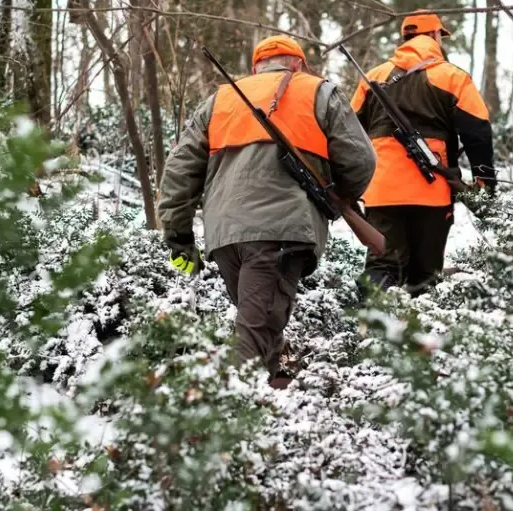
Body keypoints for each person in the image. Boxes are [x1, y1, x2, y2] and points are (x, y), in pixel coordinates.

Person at [158, 35, 376, 388]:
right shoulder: (319, 92)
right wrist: (339, 198)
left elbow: (179, 172)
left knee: (260, 327)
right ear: (298, 64)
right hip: (280, 231)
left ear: (256, 67)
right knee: (255, 335)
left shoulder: (219, 100)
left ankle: (274, 400)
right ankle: (230, 420)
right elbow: (361, 160)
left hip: (225, 237)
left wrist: (179, 237)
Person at [351, 10, 495, 295]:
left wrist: (351, 184)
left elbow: (349, 133)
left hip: (381, 190)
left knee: (383, 266)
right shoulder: (453, 77)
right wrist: (484, 185)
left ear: (405, 38)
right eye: (440, 35)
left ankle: (370, 330)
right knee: (425, 275)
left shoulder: (373, 77)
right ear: (434, 35)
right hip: (432, 190)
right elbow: (477, 132)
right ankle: (418, 333)